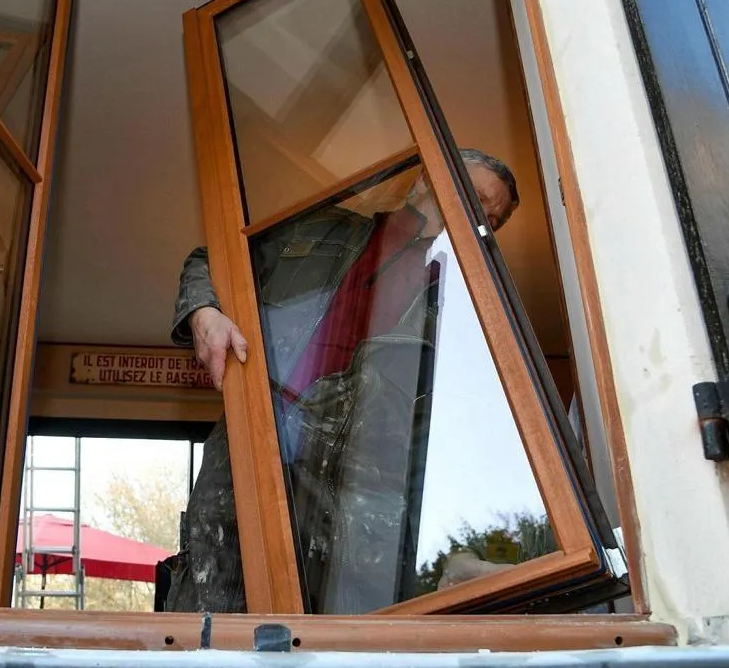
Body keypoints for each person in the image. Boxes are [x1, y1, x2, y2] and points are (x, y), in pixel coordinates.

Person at [163, 149, 519, 614]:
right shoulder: (320, 230)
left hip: (357, 494)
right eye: (471, 194)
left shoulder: (465, 310)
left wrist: (455, 549)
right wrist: (204, 313)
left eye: (492, 217)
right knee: (213, 605)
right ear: (420, 182)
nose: (477, 216)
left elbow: (450, 444)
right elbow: (210, 260)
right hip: (254, 442)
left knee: (325, 631)